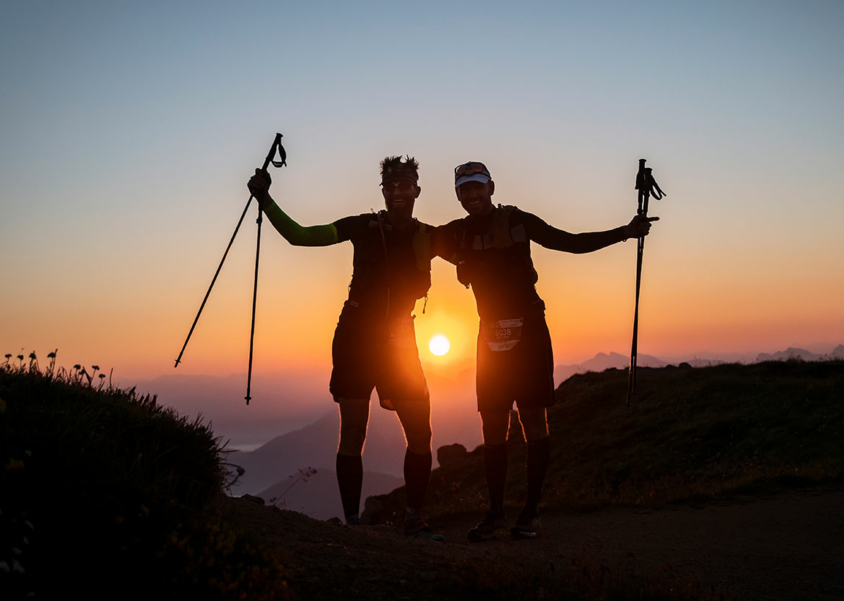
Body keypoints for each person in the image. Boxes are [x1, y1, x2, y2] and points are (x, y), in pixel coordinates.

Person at [435, 161, 657, 541]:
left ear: (491, 187)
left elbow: (567, 241)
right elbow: (409, 243)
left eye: (478, 187)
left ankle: (531, 511)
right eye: (464, 190)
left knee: (533, 421)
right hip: (489, 333)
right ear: (457, 195)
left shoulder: (519, 221)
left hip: (528, 330)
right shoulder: (452, 235)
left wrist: (624, 232)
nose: (472, 195)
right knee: (492, 425)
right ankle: (496, 514)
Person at [248, 156, 444, 541]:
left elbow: (477, 250)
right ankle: (354, 524)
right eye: (392, 186)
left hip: (398, 340)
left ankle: (413, 518)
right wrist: (266, 200)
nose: (399, 192)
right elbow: (300, 236)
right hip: (356, 337)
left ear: (417, 190)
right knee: (354, 431)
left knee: (420, 433)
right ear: (384, 191)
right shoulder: (362, 226)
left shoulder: (430, 234)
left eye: (406, 185)